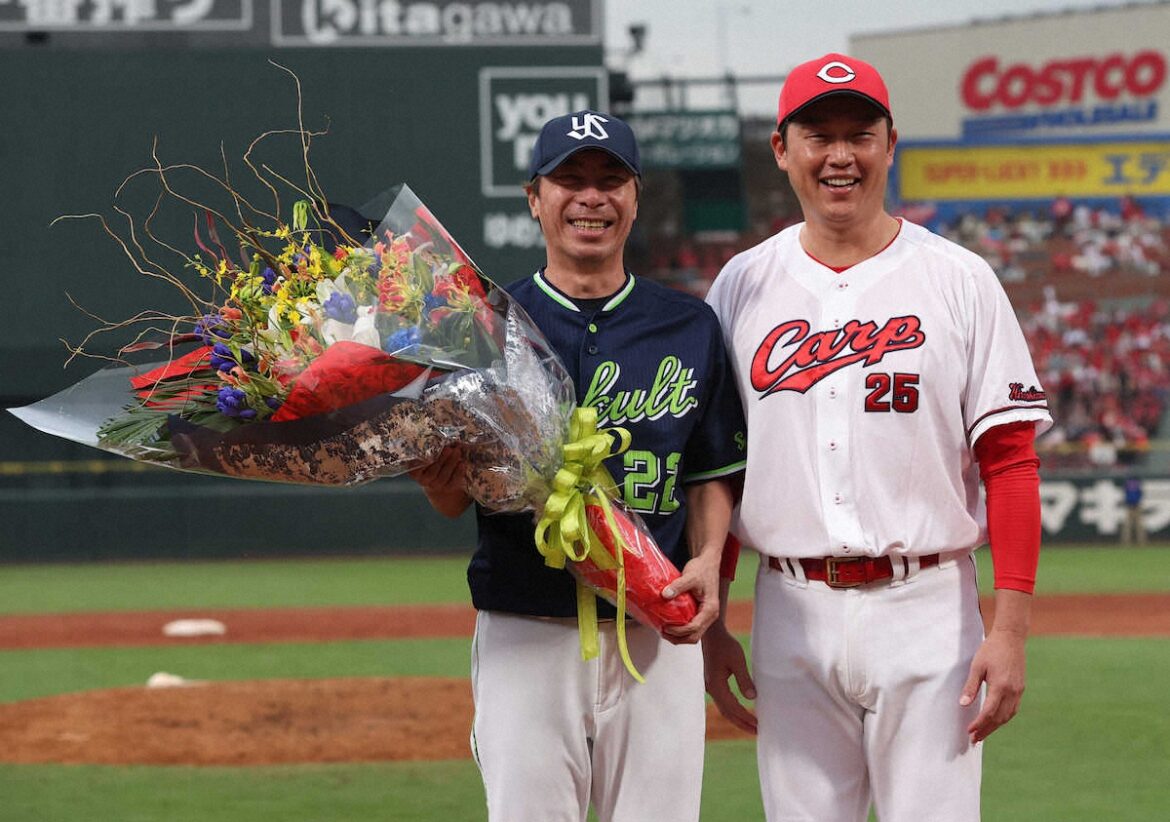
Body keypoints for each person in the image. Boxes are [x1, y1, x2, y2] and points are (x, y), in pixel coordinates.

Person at [702, 54, 1053, 821]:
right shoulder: (740, 286)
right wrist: (718, 619)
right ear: (781, 149)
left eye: (859, 134)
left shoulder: (958, 279)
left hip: (928, 611)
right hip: (788, 609)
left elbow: (1011, 463)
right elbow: (719, 469)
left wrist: (1012, 628)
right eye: (817, 135)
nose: (840, 155)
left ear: (891, 143)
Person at [411, 109, 747, 822]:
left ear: (635, 198)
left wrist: (712, 557)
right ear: (535, 198)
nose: (591, 197)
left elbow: (710, 468)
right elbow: (451, 500)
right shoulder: (483, 325)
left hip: (656, 630)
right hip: (525, 627)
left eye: (610, 180)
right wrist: (439, 482)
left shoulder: (689, 326)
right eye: (570, 180)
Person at [1122, 475, 1147, 545]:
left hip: (1132, 506)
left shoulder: (1127, 483)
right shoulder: (1137, 483)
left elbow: (1126, 493)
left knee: (1129, 526)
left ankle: (1127, 542)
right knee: (1136, 525)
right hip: (1135, 506)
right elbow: (1140, 494)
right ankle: (1141, 542)